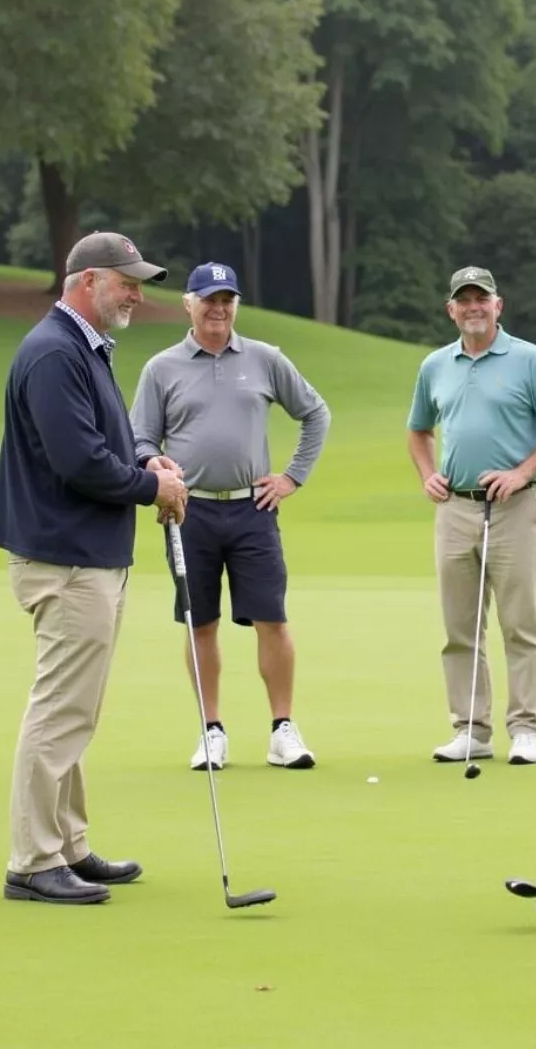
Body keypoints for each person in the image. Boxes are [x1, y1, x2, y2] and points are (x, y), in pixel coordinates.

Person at [0, 231, 188, 905]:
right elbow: (77, 461)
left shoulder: (84, 349)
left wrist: (144, 463)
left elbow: (103, 447)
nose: (138, 293)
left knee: (78, 710)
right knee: (59, 711)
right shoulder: (54, 354)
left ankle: (67, 844)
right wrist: (149, 487)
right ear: (88, 282)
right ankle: (33, 860)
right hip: (65, 557)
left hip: (87, 555)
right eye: (127, 281)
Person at [131, 262, 331, 772]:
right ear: (188, 304)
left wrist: (291, 478)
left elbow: (314, 413)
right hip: (188, 510)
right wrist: (155, 468)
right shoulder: (162, 367)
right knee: (201, 623)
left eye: (227, 300)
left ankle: (282, 729)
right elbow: (140, 438)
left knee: (272, 619)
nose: (218, 309)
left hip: (253, 508)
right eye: (209, 300)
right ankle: (212, 730)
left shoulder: (264, 359)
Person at [407, 266, 536, 767]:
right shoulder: (436, 365)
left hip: (515, 509)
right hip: (455, 508)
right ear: (451, 310)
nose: (473, 307)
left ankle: (526, 728)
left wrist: (523, 472)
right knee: (460, 628)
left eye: (482, 298)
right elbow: (419, 430)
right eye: (464, 300)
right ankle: (470, 729)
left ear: (497, 305)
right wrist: (427, 474)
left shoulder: (529, 360)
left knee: (521, 624)